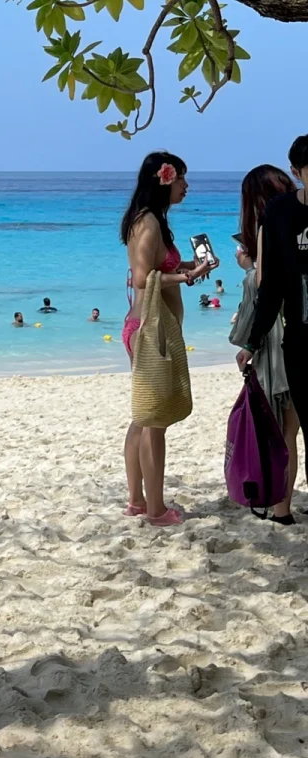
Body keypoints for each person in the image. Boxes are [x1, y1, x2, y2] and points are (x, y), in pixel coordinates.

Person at [122, 152, 215, 525]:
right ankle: (156, 509)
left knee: (143, 417)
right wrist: (188, 277)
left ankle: (136, 500)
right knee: (155, 420)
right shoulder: (149, 225)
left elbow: (160, 269)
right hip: (150, 330)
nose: (186, 186)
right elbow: (144, 278)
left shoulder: (148, 221)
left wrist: (194, 267)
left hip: (144, 327)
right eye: (182, 180)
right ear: (164, 180)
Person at [238, 137, 308, 519]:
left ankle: (282, 508)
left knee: (286, 429)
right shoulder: (285, 217)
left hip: (286, 340)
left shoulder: (274, 222)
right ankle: (284, 506)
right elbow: (278, 285)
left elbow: (266, 285)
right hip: (296, 335)